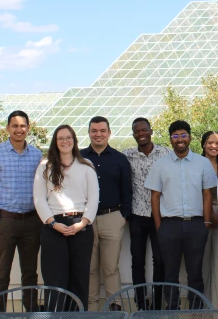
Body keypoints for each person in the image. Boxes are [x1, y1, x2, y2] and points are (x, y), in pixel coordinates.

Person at [144, 120, 218, 309]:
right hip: (169, 225)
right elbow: (155, 196)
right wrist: (159, 225)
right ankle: (172, 310)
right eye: (175, 136)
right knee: (170, 273)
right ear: (171, 139)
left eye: (183, 135)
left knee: (195, 273)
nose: (179, 139)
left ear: (190, 137)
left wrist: (207, 222)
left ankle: (195, 310)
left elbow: (208, 194)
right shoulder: (160, 165)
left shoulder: (202, 164)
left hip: (196, 224)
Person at [33, 125, 99, 310]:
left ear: (74, 140)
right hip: (53, 226)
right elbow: (39, 199)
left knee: (79, 279)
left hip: (81, 227)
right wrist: (53, 223)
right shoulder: (44, 167)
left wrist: (82, 223)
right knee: (55, 280)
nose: (65, 141)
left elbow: (93, 199)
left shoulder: (86, 166)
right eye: (60, 138)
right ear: (55, 141)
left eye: (68, 137)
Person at [0, 111, 43, 312]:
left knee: (30, 273)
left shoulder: (36, 154)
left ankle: (31, 312)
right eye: (15, 126)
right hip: (6, 221)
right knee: (1, 273)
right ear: (8, 128)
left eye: (23, 126)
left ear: (28, 128)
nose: (19, 130)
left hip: (32, 222)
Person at [80, 117, 132, 311]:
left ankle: (115, 308)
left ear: (109, 133)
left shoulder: (120, 159)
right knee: (90, 268)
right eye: (94, 130)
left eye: (102, 130)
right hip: (86, 219)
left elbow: (127, 190)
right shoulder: (80, 158)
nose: (98, 134)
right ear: (89, 132)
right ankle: (91, 310)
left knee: (111, 268)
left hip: (113, 218)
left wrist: (123, 216)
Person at [123, 117, 170, 310]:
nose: (141, 134)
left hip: (161, 215)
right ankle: (141, 303)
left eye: (144, 130)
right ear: (133, 134)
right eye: (136, 131)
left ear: (151, 131)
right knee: (137, 260)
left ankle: (158, 303)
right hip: (137, 215)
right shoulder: (127, 155)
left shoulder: (165, 153)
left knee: (160, 260)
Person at [201, 130, 218, 308]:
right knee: (201, 264)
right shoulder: (196, 164)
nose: (214, 146)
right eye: (210, 142)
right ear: (203, 143)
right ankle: (202, 306)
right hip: (201, 213)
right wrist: (208, 214)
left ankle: (216, 307)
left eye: (217, 143)